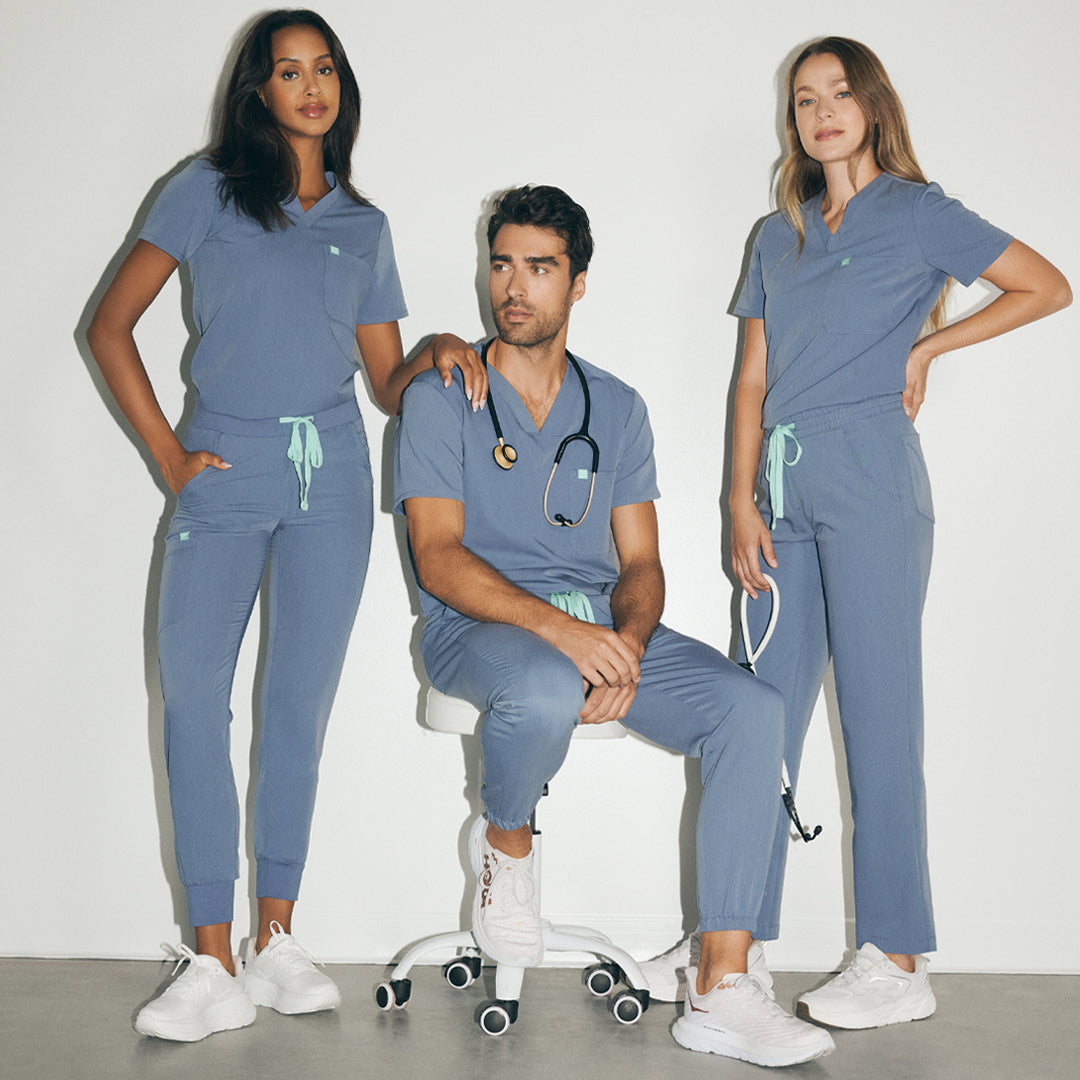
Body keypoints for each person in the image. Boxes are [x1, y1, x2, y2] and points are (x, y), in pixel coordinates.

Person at [641, 36, 1071, 1027]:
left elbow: (1047, 286)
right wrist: (737, 500)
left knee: (879, 721)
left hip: (874, 477)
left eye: (840, 93)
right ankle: (729, 943)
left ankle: (897, 956)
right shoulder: (775, 235)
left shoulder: (918, 212)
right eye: (805, 99)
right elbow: (751, 379)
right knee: (754, 714)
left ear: (873, 105)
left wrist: (931, 345)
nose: (823, 111)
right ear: (792, 120)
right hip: (779, 491)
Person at [87, 9, 484, 1042]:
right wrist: (169, 455)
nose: (310, 87)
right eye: (289, 70)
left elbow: (387, 384)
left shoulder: (362, 224)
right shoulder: (205, 190)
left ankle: (275, 940)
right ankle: (210, 958)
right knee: (193, 704)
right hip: (222, 471)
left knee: (296, 710)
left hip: (333, 482)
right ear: (258, 89)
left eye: (324, 69)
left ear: (340, 86)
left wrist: (437, 344)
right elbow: (110, 325)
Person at [395, 185, 835, 1067]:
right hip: (471, 627)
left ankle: (721, 983)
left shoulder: (618, 407)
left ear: (578, 283)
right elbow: (438, 558)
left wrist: (626, 647)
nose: (513, 287)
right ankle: (505, 845)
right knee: (545, 683)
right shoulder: (443, 395)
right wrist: (569, 641)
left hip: (598, 627)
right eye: (502, 264)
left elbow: (641, 564)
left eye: (540, 268)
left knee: (751, 710)